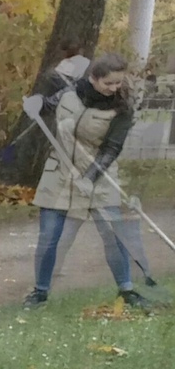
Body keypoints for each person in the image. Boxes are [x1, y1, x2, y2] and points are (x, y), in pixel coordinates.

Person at [25, 52, 147, 311]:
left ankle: (127, 290)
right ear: (93, 78)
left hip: (100, 177)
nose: (114, 88)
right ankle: (40, 293)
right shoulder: (70, 93)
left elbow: (112, 149)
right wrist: (34, 104)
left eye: (118, 83)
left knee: (114, 235)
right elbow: (47, 105)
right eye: (109, 83)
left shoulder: (122, 109)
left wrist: (90, 177)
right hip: (59, 174)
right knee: (49, 237)